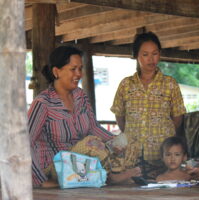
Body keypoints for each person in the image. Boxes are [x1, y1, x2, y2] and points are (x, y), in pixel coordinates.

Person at [28, 46, 141, 188]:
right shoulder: (43, 103)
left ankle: (113, 174)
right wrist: (41, 181)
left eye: (80, 69)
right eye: (73, 69)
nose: (79, 74)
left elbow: (93, 127)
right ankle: (111, 177)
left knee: (129, 141)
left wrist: (117, 142)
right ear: (57, 72)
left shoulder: (81, 96)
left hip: (80, 166)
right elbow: (24, 143)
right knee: (92, 144)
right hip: (55, 167)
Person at [110, 32, 186, 177]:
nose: (151, 59)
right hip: (133, 158)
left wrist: (162, 133)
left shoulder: (170, 84)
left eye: (155, 53)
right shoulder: (126, 85)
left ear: (160, 54)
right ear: (136, 55)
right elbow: (120, 116)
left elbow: (177, 118)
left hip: (162, 158)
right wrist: (132, 135)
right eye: (145, 54)